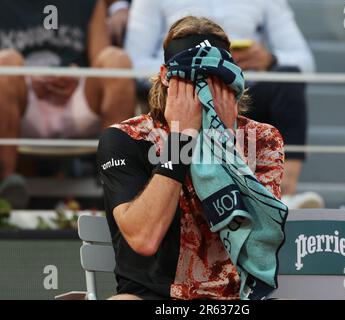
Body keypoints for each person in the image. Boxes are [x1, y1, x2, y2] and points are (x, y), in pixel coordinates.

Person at [97, 16, 286, 300]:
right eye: (192, 78)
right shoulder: (126, 137)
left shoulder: (263, 138)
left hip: (235, 301)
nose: (203, 92)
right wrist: (180, 141)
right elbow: (143, 238)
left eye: (214, 80)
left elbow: (259, 238)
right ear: (165, 76)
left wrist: (224, 146)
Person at [125, 0, 325, 209]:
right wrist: (191, 64)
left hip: (243, 92)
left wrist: (269, 59)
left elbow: (305, 62)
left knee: (289, 79)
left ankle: (285, 195)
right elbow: (133, 62)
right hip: (181, 92)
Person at [0, 0, 136, 208]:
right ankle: (6, 186)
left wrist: (76, 74)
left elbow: (101, 57)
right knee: (6, 62)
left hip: (78, 100)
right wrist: (27, 76)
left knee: (116, 61)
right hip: (20, 102)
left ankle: (120, 186)